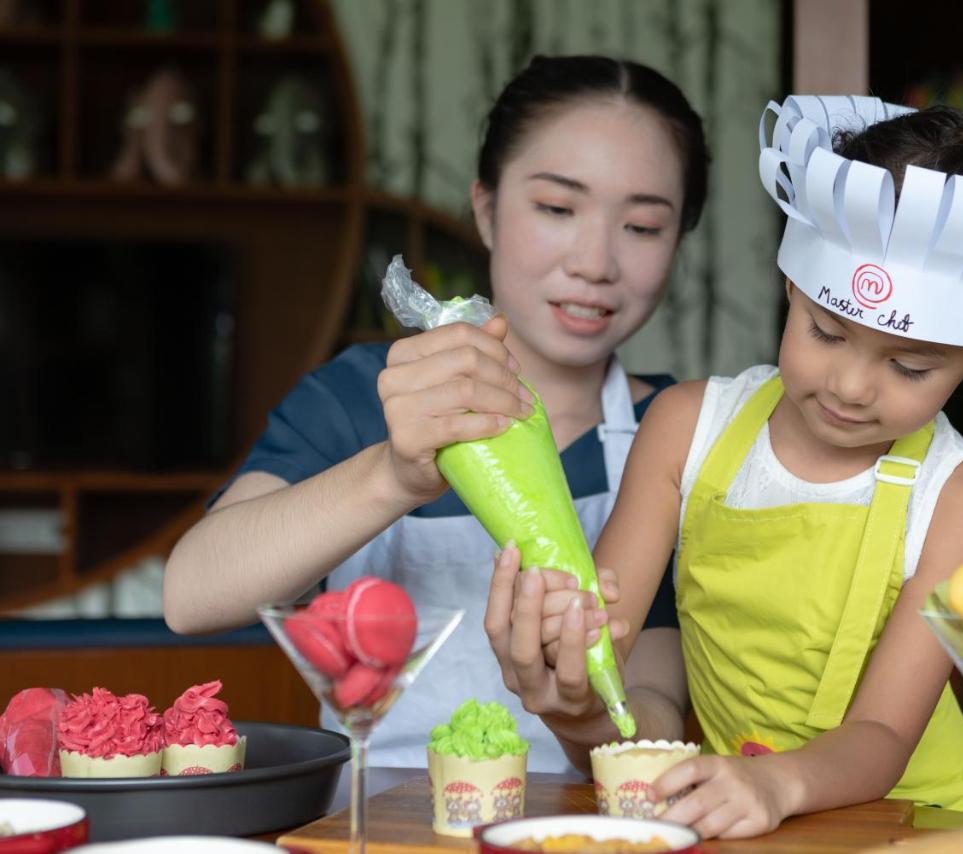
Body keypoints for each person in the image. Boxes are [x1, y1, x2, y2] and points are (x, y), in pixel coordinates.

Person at [484, 94, 963, 837]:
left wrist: (774, 782)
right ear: (791, 284)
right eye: (825, 333)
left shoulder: (955, 498)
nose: (850, 388)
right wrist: (568, 671)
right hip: (747, 811)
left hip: (920, 820)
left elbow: (886, 736)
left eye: (911, 367)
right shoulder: (686, 429)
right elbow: (610, 649)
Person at [163, 54, 710, 776]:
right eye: (556, 208)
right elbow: (192, 595)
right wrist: (392, 474)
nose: (595, 261)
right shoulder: (366, 394)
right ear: (485, 209)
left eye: (642, 226)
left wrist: (583, 711)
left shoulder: (677, 435)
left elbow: (654, 698)